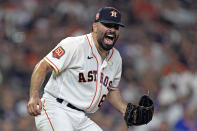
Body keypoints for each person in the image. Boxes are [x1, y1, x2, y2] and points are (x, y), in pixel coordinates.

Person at [27, 7, 153, 131]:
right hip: (55, 108)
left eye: (116, 27)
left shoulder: (116, 58)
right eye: (107, 25)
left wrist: (125, 110)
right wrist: (34, 96)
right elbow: (43, 66)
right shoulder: (75, 45)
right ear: (95, 26)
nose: (112, 30)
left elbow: (110, 90)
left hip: (80, 117)